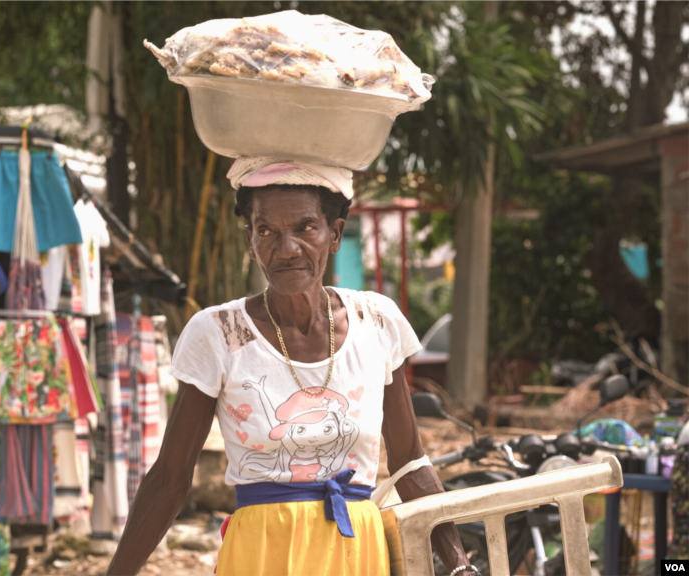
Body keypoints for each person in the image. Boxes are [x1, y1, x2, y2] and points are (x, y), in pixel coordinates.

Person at [106, 158, 477, 576]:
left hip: (356, 551)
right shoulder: (219, 333)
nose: (286, 249)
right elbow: (171, 477)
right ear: (250, 239)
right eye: (266, 230)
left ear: (334, 234)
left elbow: (409, 461)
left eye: (305, 228)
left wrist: (460, 565)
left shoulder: (376, 321)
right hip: (264, 553)